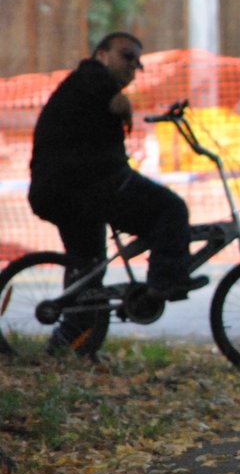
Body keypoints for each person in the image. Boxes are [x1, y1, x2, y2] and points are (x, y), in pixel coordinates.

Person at [29, 33, 203, 315]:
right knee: (171, 209)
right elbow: (99, 85)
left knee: (88, 269)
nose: (133, 65)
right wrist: (120, 101)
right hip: (87, 185)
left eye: (137, 62)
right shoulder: (91, 77)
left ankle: (74, 344)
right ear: (101, 55)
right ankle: (165, 282)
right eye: (126, 56)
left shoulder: (84, 85)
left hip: (60, 191)